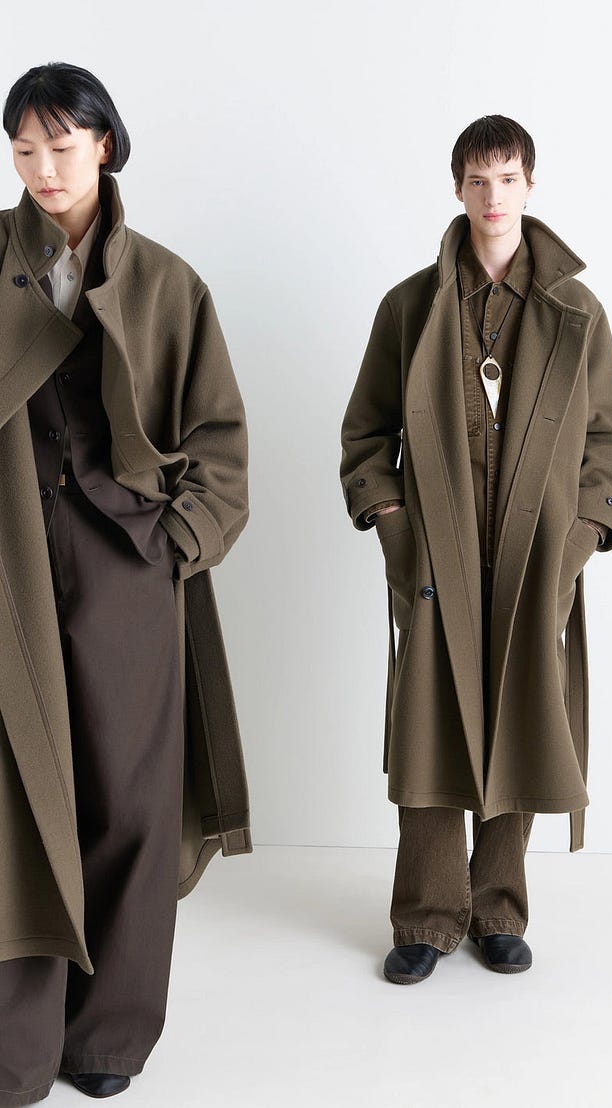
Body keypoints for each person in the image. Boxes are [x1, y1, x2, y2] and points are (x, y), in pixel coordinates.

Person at [0, 63, 250, 1103]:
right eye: (24, 149)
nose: (43, 169)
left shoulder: (167, 285)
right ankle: (16, 1048)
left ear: (106, 144)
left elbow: (221, 447)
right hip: (9, 566)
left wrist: (171, 548)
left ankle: (105, 1039)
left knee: (129, 802)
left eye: (62, 146)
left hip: (128, 568)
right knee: (17, 802)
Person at [340, 115, 612, 985]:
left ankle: (499, 908)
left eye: (507, 178)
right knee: (431, 730)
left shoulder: (578, 313)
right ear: (457, 189)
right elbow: (365, 435)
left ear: (530, 185)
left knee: (522, 719)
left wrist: (579, 537)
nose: (493, 196)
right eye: (477, 180)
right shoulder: (410, 307)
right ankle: (427, 917)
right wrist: (395, 524)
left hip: (536, 558)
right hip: (438, 558)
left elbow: (611, 443)